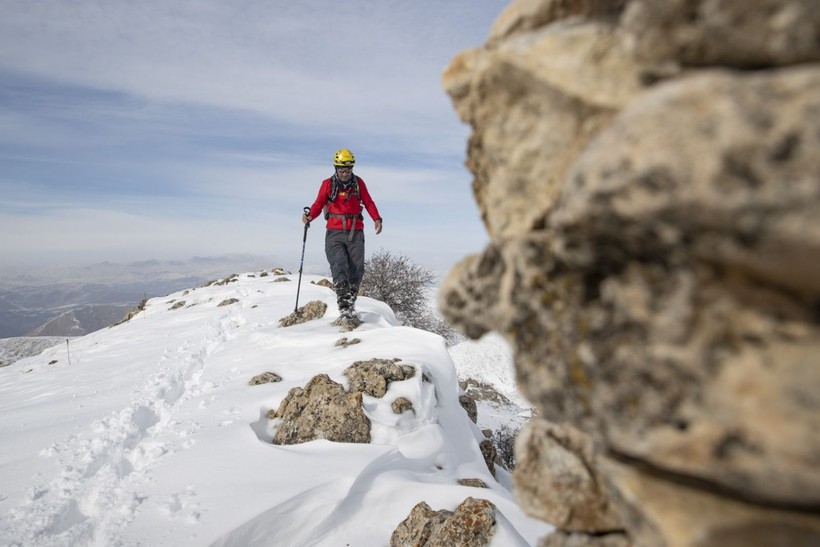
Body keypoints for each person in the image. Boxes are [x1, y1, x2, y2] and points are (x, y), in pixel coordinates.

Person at [303, 148, 382, 318]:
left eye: (348, 170)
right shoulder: (327, 184)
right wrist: (309, 217)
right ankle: (343, 304)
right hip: (334, 232)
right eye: (342, 170)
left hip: (356, 232)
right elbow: (318, 204)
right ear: (335, 168)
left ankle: (351, 299)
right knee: (338, 265)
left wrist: (377, 218)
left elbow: (368, 202)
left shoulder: (358, 183)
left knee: (357, 269)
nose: (345, 173)